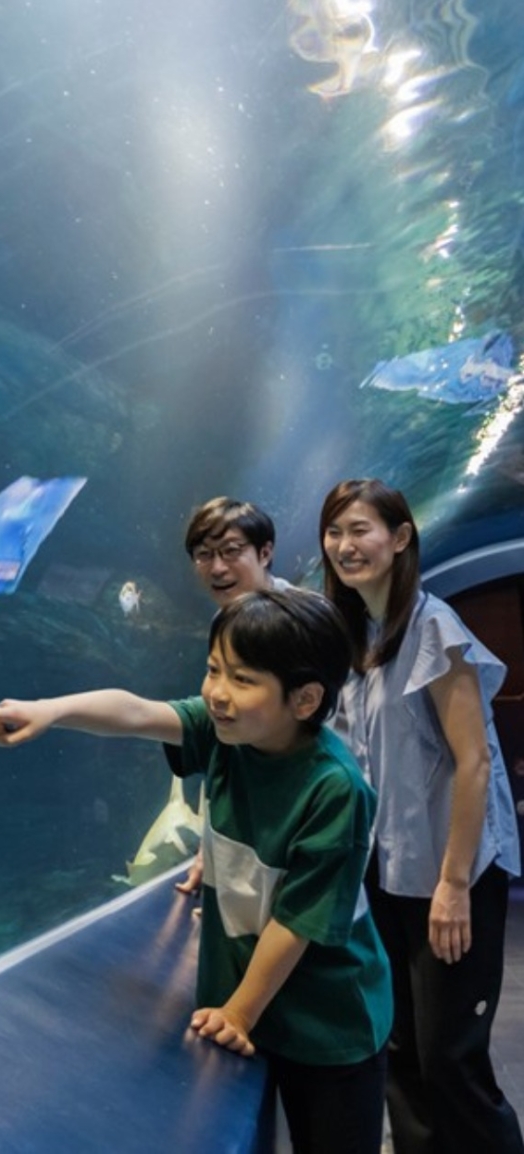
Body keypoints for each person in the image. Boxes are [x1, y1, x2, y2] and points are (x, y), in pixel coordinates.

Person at [0, 589, 392, 1154]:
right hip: (250, 999)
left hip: (328, 1018)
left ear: (306, 698)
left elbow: (298, 922)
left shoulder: (336, 789)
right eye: (214, 670)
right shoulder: (230, 736)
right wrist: (52, 711)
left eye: (243, 680)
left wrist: (240, 1012)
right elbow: (138, 712)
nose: (217, 693)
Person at [320, 478, 524, 1154]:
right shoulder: (358, 638)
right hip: (388, 875)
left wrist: (455, 885)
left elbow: (475, 764)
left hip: (450, 876)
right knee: (399, 1049)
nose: (345, 545)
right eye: (335, 532)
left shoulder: (434, 626)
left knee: (450, 1061)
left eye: (360, 529)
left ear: (401, 537)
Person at [176, 496, 292, 894]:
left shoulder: (300, 623)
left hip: (299, 828)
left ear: (265, 551)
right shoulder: (226, 620)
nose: (217, 567)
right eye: (204, 555)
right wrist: (211, 846)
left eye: (231, 551)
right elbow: (223, 743)